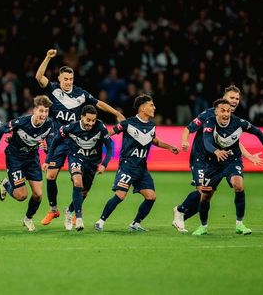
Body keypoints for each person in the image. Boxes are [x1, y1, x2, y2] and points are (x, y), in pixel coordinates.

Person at [35, 48, 125, 226]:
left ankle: (73, 210)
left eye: (71, 79)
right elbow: (39, 77)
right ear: (59, 79)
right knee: (51, 176)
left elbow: (98, 104)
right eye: (65, 79)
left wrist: (116, 113)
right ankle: (53, 210)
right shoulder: (52, 90)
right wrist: (47, 57)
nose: (68, 82)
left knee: (81, 184)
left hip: (76, 142)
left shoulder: (81, 94)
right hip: (59, 139)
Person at [172, 85, 263, 232]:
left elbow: (233, 141)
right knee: (202, 190)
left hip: (217, 159)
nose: (234, 101)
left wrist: (248, 156)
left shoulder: (230, 119)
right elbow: (188, 128)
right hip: (201, 157)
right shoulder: (208, 115)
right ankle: (179, 210)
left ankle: (182, 217)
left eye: (236, 99)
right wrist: (184, 141)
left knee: (206, 195)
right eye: (231, 98)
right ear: (224, 98)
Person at [191, 98, 263, 235]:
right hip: (213, 163)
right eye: (222, 111)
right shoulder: (209, 123)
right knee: (205, 196)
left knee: (238, 185)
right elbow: (207, 142)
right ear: (216, 112)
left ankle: (240, 224)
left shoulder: (239, 123)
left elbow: (258, 132)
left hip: (233, 161)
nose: (226, 114)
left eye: (228, 111)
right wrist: (216, 151)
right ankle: (203, 226)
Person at [94, 95, 179, 232]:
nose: (154, 107)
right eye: (151, 105)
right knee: (120, 195)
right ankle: (100, 221)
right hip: (127, 166)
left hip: (141, 168)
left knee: (151, 196)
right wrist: (98, 142)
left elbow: (154, 140)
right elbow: (110, 133)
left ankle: (135, 224)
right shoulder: (128, 123)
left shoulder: (151, 125)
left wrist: (169, 147)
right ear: (142, 108)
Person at [43, 105, 113, 231]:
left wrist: (104, 164)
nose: (91, 123)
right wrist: (48, 160)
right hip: (76, 158)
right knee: (77, 182)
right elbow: (55, 141)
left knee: (84, 192)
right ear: (81, 117)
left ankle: (69, 212)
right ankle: (79, 218)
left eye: (93, 120)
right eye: (88, 120)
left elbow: (110, 147)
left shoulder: (100, 127)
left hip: (92, 162)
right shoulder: (71, 128)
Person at [0, 95, 53, 231]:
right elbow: (1, 129)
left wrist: (47, 155)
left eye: (46, 111)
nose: (44, 114)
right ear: (34, 110)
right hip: (15, 158)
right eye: (41, 111)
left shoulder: (49, 124)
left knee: (38, 194)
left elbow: (50, 144)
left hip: (32, 159)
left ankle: (28, 219)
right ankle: (6, 184)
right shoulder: (21, 122)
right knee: (21, 196)